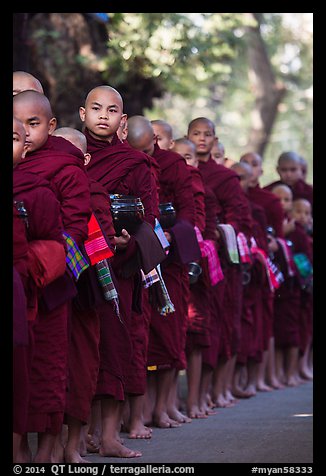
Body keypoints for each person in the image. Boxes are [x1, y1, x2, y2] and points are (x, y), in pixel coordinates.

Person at [79, 85, 166, 455]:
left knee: (115, 345)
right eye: (96, 108)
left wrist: (128, 241)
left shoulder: (135, 162)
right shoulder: (66, 155)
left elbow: (150, 215)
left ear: (123, 120)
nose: (103, 115)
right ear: (82, 114)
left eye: (112, 110)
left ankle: (111, 435)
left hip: (119, 267)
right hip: (81, 264)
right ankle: (83, 431)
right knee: (81, 348)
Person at [13, 91, 91, 462]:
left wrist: (32, 262)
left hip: (49, 283)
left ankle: (45, 450)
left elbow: (74, 232)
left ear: (52, 126)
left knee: (49, 366)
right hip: (17, 284)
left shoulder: (65, 166)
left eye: (34, 124)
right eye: (19, 125)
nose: (26, 133)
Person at [127, 115, 199, 428]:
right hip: (133, 256)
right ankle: (138, 413)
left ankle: (162, 407)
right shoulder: (125, 160)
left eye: (151, 145)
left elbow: (189, 212)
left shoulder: (173, 164)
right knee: (138, 340)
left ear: (158, 142)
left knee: (169, 337)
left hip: (168, 263)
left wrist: (170, 236)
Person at [187, 117, 253, 409]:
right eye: (196, 134)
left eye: (207, 134)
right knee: (194, 328)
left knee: (222, 324)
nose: (202, 139)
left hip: (221, 260)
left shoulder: (224, 177)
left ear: (215, 139)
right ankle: (195, 395)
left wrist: (217, 234)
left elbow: (239, 216)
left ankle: (214, 390)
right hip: (190, 256)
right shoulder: (180, 168)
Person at [13, 117, 68, 463]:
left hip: (27, 293)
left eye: (16, 135)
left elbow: (62, 240)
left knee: (28, 375)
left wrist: (31, 266)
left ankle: (31, 453)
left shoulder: (38, 187)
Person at [240, 152, 285, 389]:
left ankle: (260, 378)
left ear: (261, 170)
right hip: (242, 265)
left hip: (262, 269)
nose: (250, 169)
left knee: (263, 322)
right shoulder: (234, 196)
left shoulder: (268, 201)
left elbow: (277, 237)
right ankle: (240, 380)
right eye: (245, 164)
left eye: (255, 164)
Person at [270, 184, 304, 386]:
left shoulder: (296, 229)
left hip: (292, 287)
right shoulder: (273, 223)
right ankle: (276, 374)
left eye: (286, 200)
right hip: (275, 286)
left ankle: (290, 373)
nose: (282, 204)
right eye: (278, 200)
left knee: (291, 332)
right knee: (276, 331)